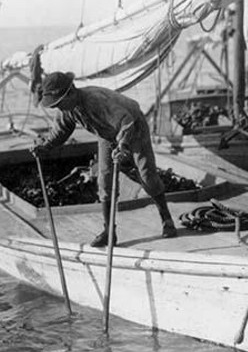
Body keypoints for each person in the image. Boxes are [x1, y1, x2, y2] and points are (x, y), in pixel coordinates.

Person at [30, 72, 178, 247]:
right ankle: (109, 231)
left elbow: (126, 121)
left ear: (70, 92)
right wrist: (46, 147)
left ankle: (167, 219)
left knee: (146, 175)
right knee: (105, 178)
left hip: (133, 126)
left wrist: (122, 146)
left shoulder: (95, 100)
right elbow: (61, 131)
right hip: (107, 134)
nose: (59, 109)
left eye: (59, 104)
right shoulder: (67, 109)